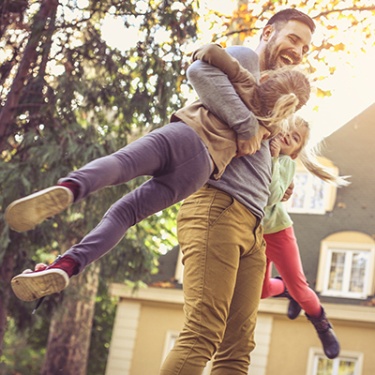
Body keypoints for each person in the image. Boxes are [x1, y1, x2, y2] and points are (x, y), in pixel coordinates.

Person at [6, 42, 310, 302]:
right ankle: (68, 265)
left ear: (266, 77)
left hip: (186, 137)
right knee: (125, 215)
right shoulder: (266, 130)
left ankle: (72, 188)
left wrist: (207, 52)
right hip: (198, 173)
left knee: (121, 164)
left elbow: (208, 54)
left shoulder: (247, 81)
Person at [159, 8, 316, 375]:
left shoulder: (276, 92)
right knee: (202, 333)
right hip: (218, 207)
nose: (298, 51)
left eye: (306, 48)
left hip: (253, 225)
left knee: (238, 350)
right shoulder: (245, 59)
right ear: (268, 33)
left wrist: (277, 184)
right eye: (293, 38)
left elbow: (256, 156)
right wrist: (247, 126)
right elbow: (199, 71)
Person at [261, 115, 348, 359]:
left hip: (277, 231)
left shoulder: (285, 162)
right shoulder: (262, 147)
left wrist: (274, 157)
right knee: (260, 291)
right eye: (287, 129)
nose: (288, 135)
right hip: (255, 234)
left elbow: (271, 196)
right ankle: (285, 288)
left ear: (295, 152)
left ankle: (323, 325)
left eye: (295, 137)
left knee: (301, 290)